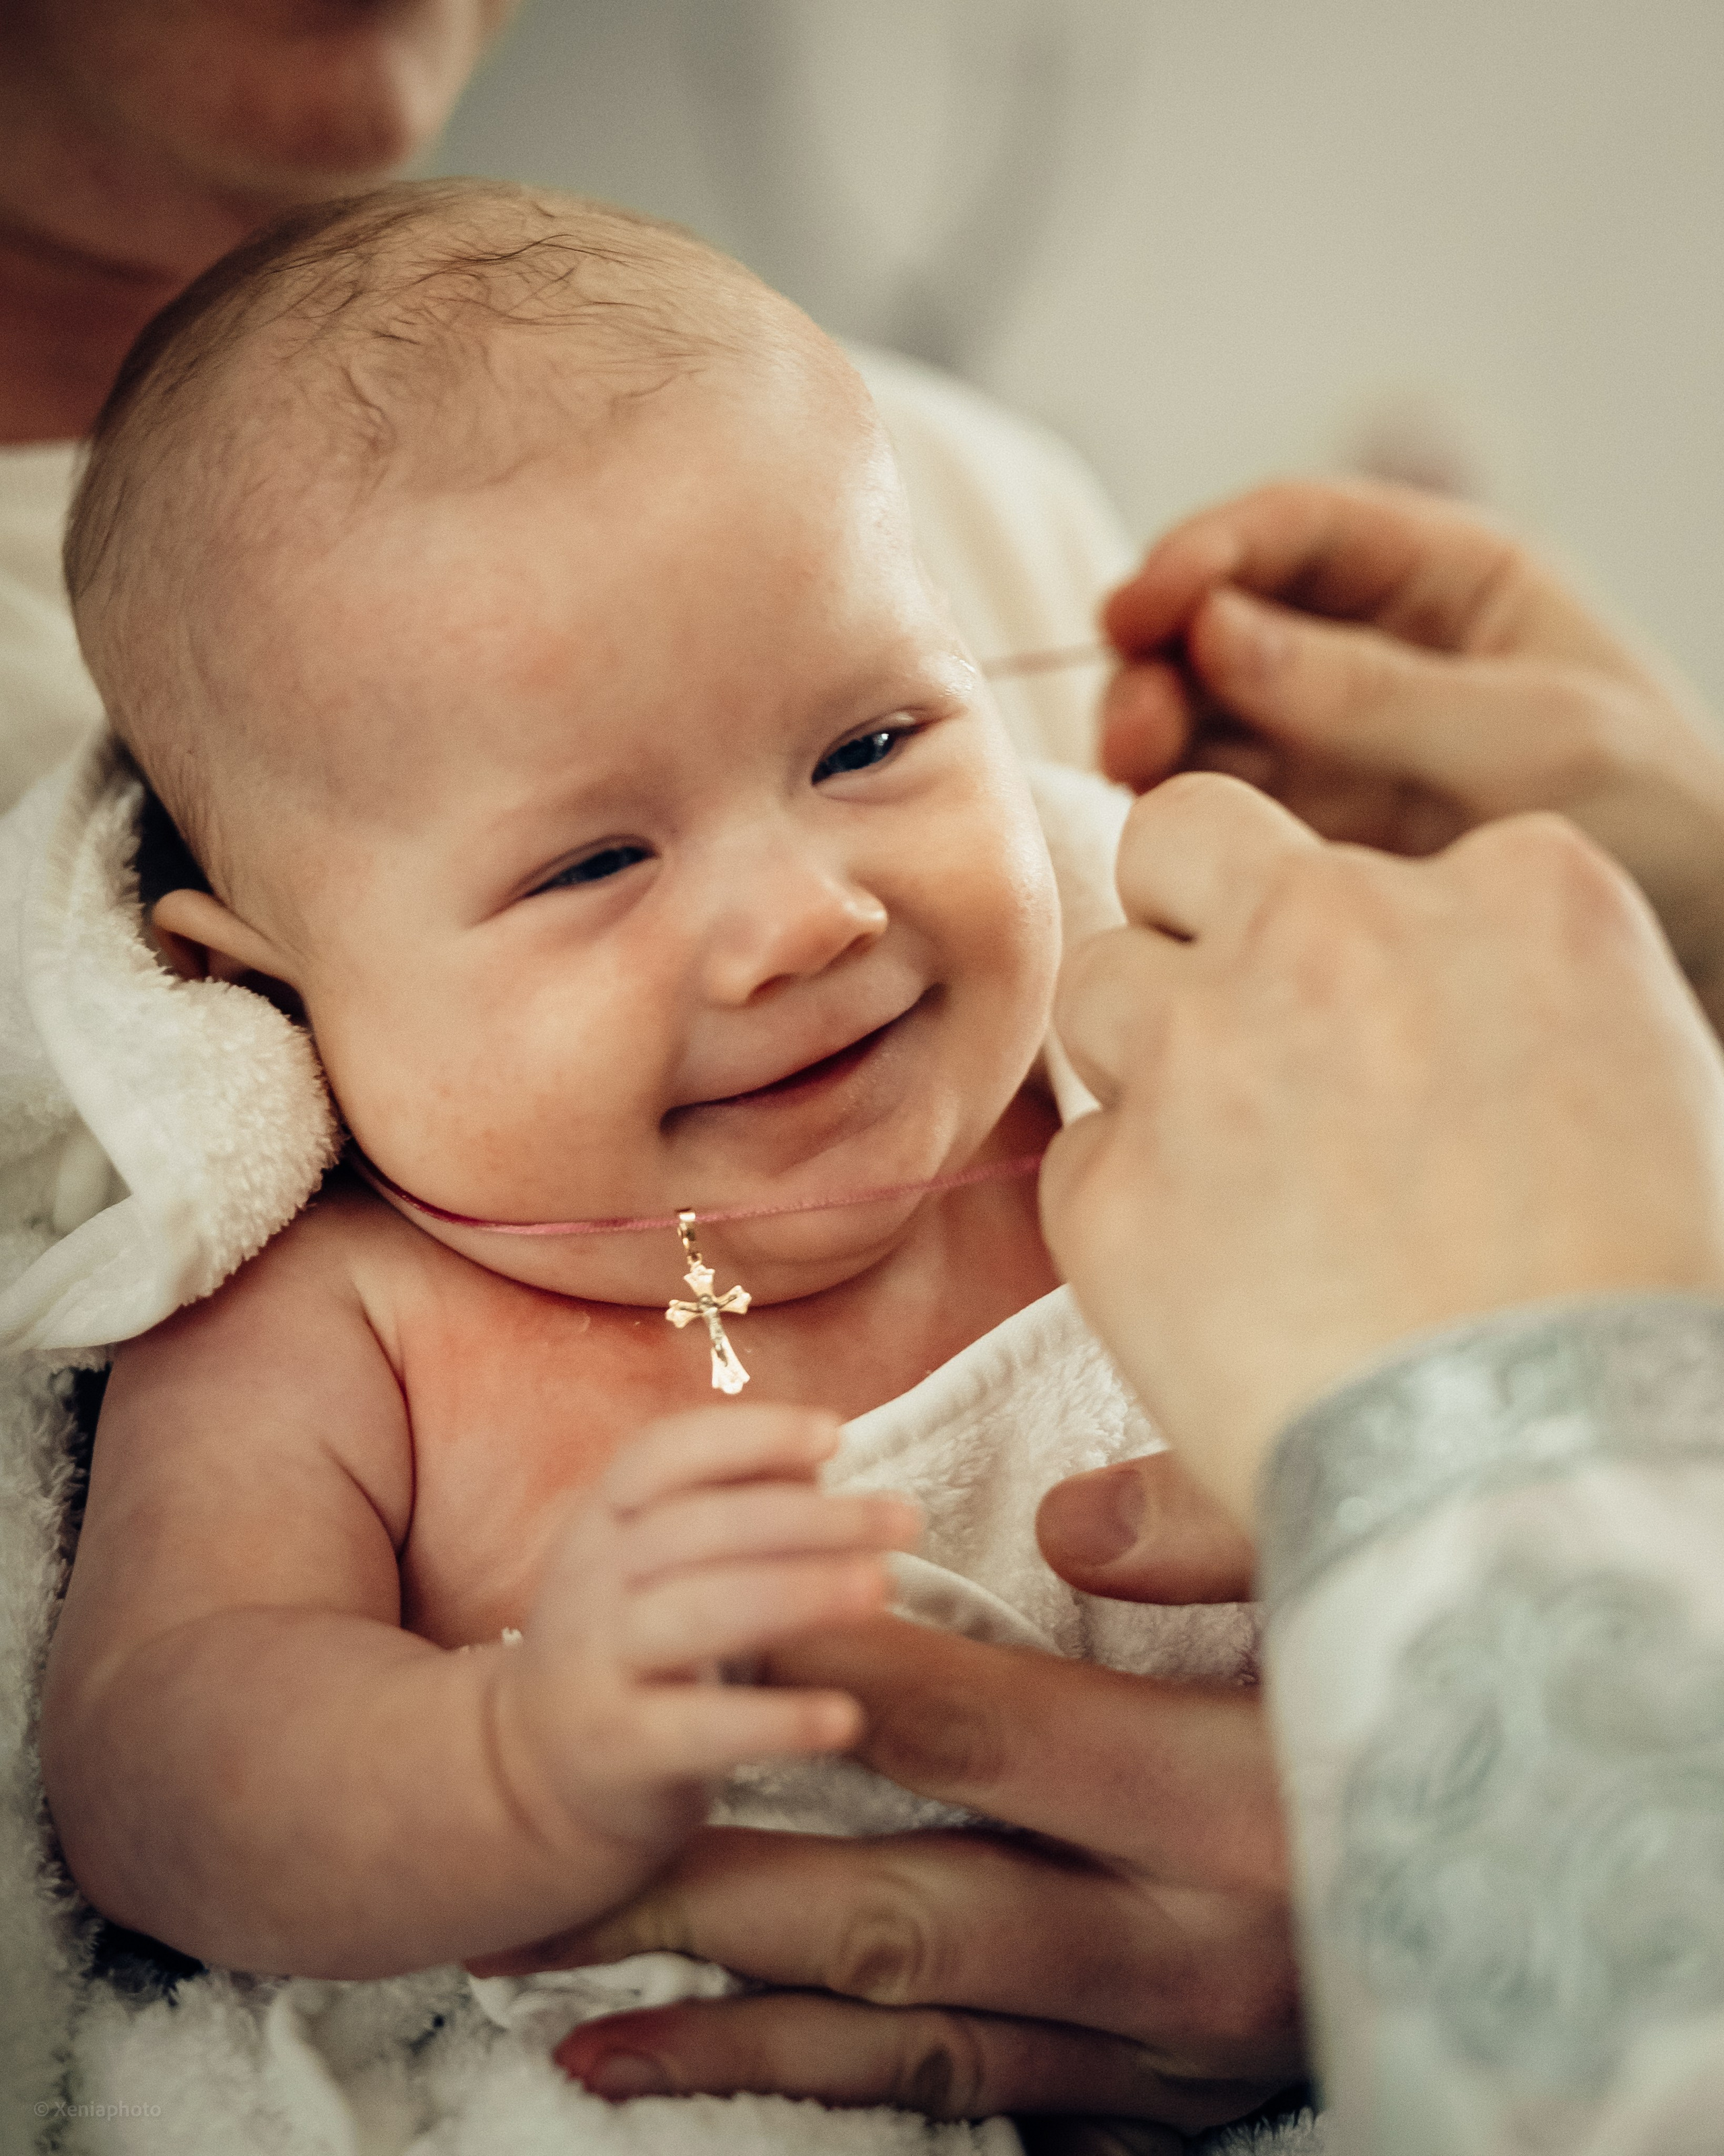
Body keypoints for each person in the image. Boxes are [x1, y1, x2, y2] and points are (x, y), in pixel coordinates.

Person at [37, 178, 1279, 2145]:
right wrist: (514, 1764)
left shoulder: (1166, 1082)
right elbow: (148, 1765)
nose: (804, 918)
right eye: (597, 860)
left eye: (872, 741)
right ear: (276, 993)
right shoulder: (340, 1322)